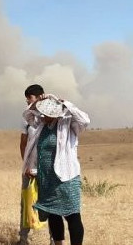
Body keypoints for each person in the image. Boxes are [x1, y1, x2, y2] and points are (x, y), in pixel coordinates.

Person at [22, 85, 90, 245]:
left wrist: (65, 104)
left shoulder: (68, 124)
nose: (43, 116)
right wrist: (39, 102)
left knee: (73, 215)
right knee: (53, 214)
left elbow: (85, 120)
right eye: (43, 113)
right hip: (46, 178)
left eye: (47, 113)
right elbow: (27, 115)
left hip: (66, 178)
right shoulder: (40, 125)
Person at [20, 84, 55, 245]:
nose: (28, 101)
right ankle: (23, 239)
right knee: (26, 203)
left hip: (49, 170)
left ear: (40, 97)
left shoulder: (52, 116)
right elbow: (23, 143)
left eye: (30, 98)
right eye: (26, 99)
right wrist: (26, 165)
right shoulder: (27, 119)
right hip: (29, 169)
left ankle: (54, 239)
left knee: (51, 205)